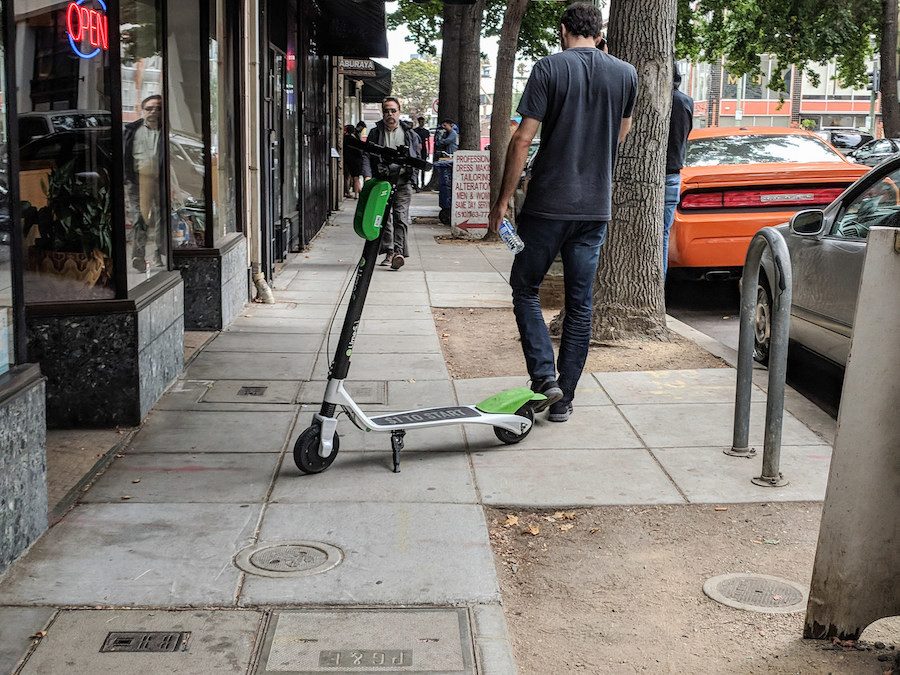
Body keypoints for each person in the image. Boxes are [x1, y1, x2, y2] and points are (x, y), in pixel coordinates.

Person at [488, 2, 637, 423]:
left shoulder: (548, 68)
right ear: (598, 30)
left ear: (563, 28)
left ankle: (544, 379)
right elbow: (621, 134)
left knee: (525, 288)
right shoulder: (626, 74)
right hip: (595, 207)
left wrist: (502, 200)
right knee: (580, 303)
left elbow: (522, 139)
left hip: (549, 204)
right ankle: (565, 398)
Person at [361, 96, 421, 270]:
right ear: (383, 112)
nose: (390, 114)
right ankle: (389, 250)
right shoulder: (375, 132)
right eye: (386, 110)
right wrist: (367, 176)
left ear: (399, 112)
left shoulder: (409, 134)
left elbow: (416, 157)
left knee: (401, 217)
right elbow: (366, 155)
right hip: (382, 182)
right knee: (384, 217)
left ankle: (398, 252)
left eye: (393, 110)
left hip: (402, 182)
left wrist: (413, 179)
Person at [124, 94, 166, 273]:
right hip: (137, 181)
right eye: (149, 108)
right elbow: (124, 155)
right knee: (140, 218)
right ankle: (138, 257)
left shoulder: (166, 131)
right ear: (142, 111)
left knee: (161, 218)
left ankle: (159, 254)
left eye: (158, 108)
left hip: (159, 181)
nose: (154, 112)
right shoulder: (132, 131)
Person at [663, 63, 693, 278]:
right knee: (662, 237)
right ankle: (658, 288)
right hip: (673, 174)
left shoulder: (654, 100)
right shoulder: (685, 102)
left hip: (655, 174)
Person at [343, 124, 363, 199]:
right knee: (355, 178)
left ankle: (349, 192)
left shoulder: (345, 138)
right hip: (355, 161)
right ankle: (356, 194)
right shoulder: (354, 139)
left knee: (348, 177)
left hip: (348, 160)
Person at [413, 116, 431, 190]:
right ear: (418, 122)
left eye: (423, 122)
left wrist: (428, 151)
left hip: (424, 151)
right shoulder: (415, 131)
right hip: (417, 151)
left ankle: (423, 184)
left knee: (423, 168)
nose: (422, 123)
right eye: (420, 122)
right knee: (417, 168)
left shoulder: (426, 131)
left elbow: (428, 142)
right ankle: (416, 184)